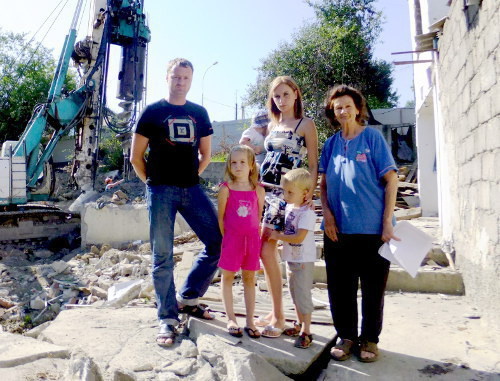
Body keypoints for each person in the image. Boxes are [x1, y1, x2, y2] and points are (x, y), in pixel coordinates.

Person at [130, 58, 222, 347]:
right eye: (176, 77)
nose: (180, 82)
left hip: (192, 190)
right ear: (167, 78)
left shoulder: (199, 113)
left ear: (191, 80)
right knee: (162, 257)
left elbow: (206, 155)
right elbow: (135, 157)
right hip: (160, 191)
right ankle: (167, 318)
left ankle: (188, 297)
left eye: (185, 78)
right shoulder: (152, 112)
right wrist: (152, 183)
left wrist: (193, 175)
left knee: (217, 242)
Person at [319, 85, 399, 362]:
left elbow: (391, 180)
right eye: (337, 107)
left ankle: (370, 340)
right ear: (333, 111)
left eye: (347, 106)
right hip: (337, 232)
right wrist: (327, 215)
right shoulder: (330, 144)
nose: (343, 111)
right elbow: (324, 185)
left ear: (357, 109)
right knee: (340, 289)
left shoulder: (372, 139)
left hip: (373, 231)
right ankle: (347, 336)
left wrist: (387, 222)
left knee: (373, 290)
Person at [257, 76, 318, 338]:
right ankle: (275, 311)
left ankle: (280, 318)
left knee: (267, 249)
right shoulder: (271, 124)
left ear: (295, 94)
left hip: (285, 195)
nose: (281, 100)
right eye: (276, 96)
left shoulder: (306, 125)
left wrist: (309, 192)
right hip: (264, 192)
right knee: (265, 252)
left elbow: (313, 164)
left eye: (285, 94)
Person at [217, 145, 265, 339]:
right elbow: (221, 218)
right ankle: (231, 318)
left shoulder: (258, 190)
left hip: (252, 241)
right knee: (227, 277)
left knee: (249, 279)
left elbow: (258, 216)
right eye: (234, 162)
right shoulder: (225, 189)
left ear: (252, 165)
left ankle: (250, 321)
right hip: (232, 241)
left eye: (242, 162)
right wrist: (227, 239)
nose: (238, 166)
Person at [268, 168, 317, 349]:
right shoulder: (290, 208)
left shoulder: (308, 213)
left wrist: (277, 236)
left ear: (304, 193)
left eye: (290, 192)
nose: (286, 195)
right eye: (285, 191)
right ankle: (299, 323)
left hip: (303, 260)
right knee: (295, 293)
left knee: (303, 295)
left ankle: (307, 331)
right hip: (291, 258)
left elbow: (298, 237)